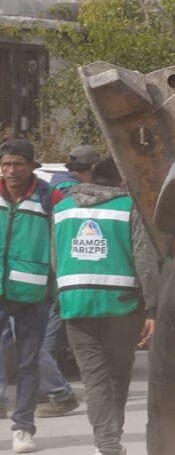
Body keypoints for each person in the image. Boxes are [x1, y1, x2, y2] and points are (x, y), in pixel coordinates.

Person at [51, 155, 156, 455]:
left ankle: (105, 449)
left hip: (75, 303)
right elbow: (144, 259)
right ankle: (111, 452)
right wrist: (153, 307)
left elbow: (57, 257)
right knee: (117, 378)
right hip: (120, 305)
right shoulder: (128, 206)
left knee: (95, 381)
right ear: (123, 181)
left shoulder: (62, 208)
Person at [33, 146, 97, 417]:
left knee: (44, 345)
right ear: (91, 169)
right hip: (59, 283)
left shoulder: (51, 188)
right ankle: (61, 394)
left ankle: (56, 392)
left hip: (50, 283)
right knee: (41, 346)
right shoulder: (71, 196)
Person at [0, 141, 53, 454]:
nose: (10, 171)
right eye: (5, 164)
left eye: (17, 164)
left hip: (34, 293)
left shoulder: (48, 197)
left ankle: (23, 428)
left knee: (28, 364)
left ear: (32, 166)